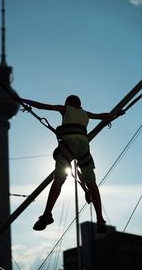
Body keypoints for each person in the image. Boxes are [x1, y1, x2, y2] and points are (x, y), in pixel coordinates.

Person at [20, 95, 125, 233]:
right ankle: (100, 219)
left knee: (58, 180)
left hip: (68, 145)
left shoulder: (65, 109)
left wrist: (22, 100)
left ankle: (47, 214)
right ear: (80, 105)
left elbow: (43, 106)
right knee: (92, 184)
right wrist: (116, 114)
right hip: (83, 146)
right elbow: (102, 116)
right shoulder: (85, 113)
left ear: (68, 104)